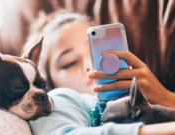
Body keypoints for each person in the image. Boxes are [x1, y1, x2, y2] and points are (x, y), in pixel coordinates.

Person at [24, 11, 175, 135]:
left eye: (95, 52)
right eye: (70, 63)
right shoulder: (62, 100)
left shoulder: (151, 92)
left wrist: (166, 97)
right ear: (48, 82)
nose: (90, 65)